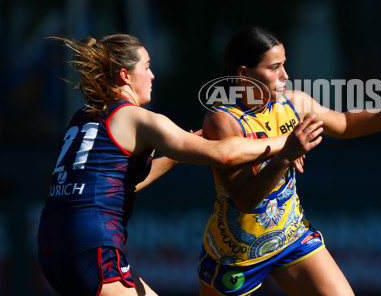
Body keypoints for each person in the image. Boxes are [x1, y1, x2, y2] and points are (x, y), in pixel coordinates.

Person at [37, 34, 324, 296]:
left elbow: (123, 186)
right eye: (147, 67)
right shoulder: (139, 118)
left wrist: (173, 157)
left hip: (54, 244)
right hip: (92, 245)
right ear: (125, 75)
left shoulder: (85, 116)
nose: (152, 75)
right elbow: (224, 154)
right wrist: (287, 142)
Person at [198, 26, 381, 296]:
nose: (285, 75)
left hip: (291, 238)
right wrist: (286, 155)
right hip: (236, 255)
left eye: (284, 65)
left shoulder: (294, 103)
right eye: (274, 68)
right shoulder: (222, 120)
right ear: (243, 73)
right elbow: (245, 199)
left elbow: (344, 124)